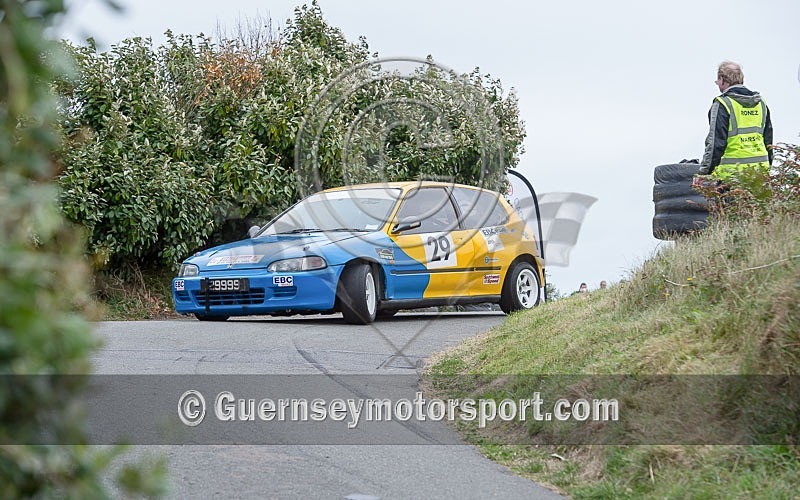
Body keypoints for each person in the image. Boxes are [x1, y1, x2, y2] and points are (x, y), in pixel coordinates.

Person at [696, 61, 773, 191]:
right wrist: (767, 168)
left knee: (729, 212)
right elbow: (769, 141)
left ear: (721, 79)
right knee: (758, 211)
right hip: (759, 173)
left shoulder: (722, 104)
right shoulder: (761, 103)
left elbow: (715, 144)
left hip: (731, 176)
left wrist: (704, 173)